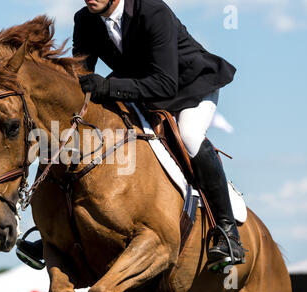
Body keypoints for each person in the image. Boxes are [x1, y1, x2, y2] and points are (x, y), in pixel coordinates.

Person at [16, 0, 246, 270]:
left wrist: (109, 86)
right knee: (81, 133)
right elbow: (81, 77)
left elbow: (165, 83)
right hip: (139, 86)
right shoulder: (85, 20)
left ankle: (228, 230)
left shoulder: (152, 11)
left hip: (187, 86)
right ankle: (56, 231)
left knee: (189, 136)